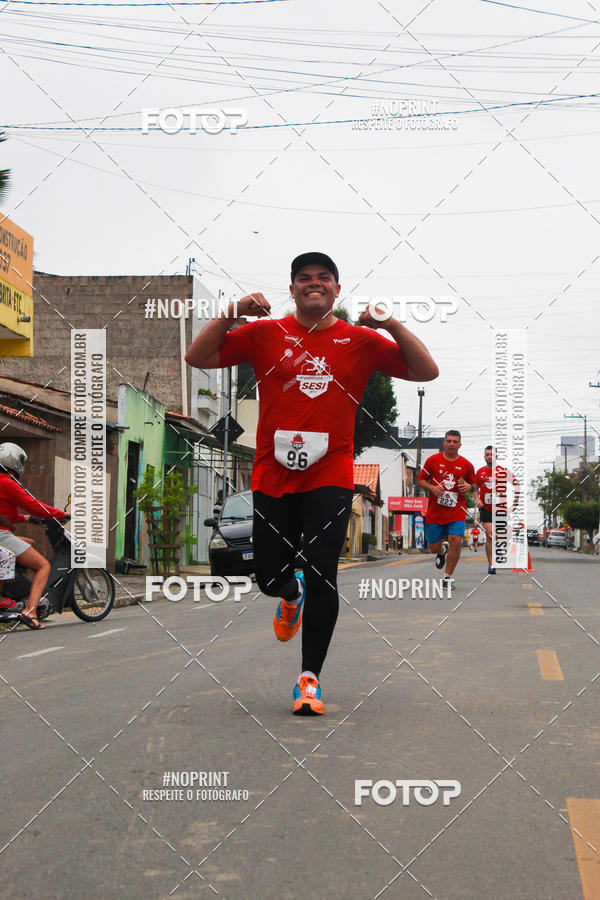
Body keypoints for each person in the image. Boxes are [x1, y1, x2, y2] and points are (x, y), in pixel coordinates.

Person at [185, 251, 438, 715]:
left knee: (323, 569)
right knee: (266, 576)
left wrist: (391, 325)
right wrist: (232, 312)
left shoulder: (359, 340)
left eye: (324, 278)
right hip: (272, 474)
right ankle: (289, 593)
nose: (314, 284)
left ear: (337, 290)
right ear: (293, 287)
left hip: (330, 475)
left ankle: (309, 680)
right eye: (305, 278)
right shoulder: (264, 334)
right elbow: (196, 355)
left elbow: (426, 371)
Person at [0, 442, 69, 630]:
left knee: (30, 542)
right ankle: (30, 610)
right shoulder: (7, 483)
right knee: (43, 566)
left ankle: (14, 586)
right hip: (1, 536)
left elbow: (8, 515)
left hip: (4, 533)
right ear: (13, 460)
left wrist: (29, 519)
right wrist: (60, 514)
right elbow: (33, 504)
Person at [417, 430, 476, 587]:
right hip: (435, 513)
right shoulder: (433, 461)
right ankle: (442, 549)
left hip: (456, 511)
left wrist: (470, 486)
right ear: (444, 443)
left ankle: (447, 578)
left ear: (460, 445)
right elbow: (421, 480)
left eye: (455, 442)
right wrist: (432, 487)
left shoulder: (466, 465)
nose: (451, 444)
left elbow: (475, 484)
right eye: (449, 441)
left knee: (456, 540)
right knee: (433, 548)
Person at [474, 445, 521, 575]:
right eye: (487, 454)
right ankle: (491, 564)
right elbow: (474, 488)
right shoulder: (480, 472)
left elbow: (517, 484)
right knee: (490, 535)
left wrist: (515, 501)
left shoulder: (503, 471)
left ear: (496, 456)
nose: (489, 457)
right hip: (486, 509)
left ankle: (500, 548)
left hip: (500, 509)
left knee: (500, 536)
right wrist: (477, 499)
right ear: (484, 457)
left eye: (492, 454)